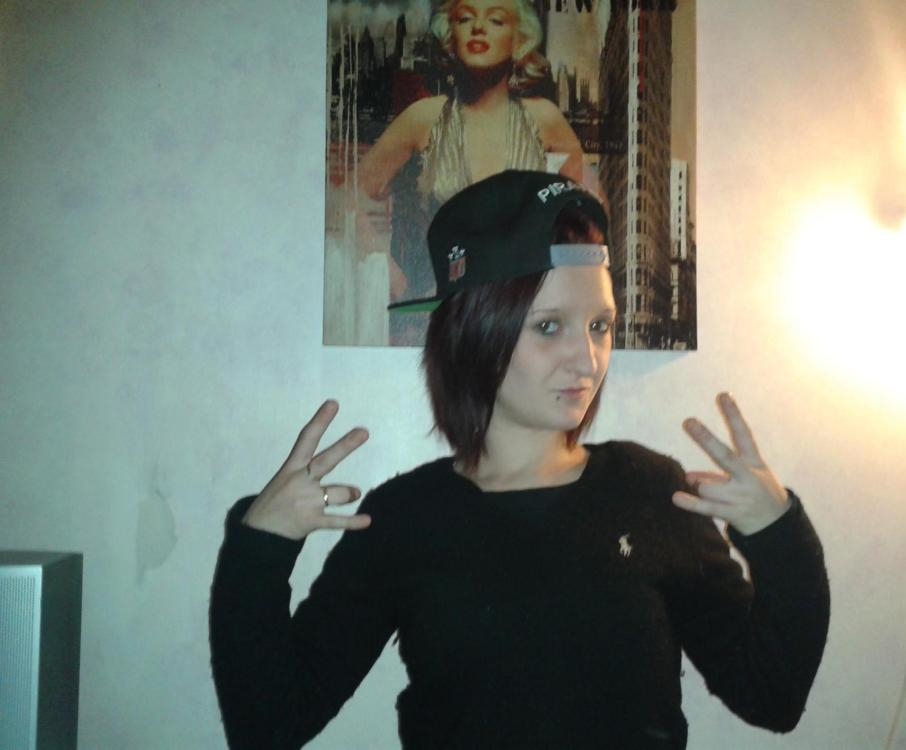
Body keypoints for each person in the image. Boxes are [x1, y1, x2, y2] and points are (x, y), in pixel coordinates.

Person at [210, 171, 830, 749]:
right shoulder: (405, 520)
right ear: (474, 331)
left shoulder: (649, 491)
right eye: (549, 327)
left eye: (600, 325)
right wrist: (261, 546)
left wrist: (777, 531)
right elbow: (269, 725)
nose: (587, 360)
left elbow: (772, 696)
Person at [351, 0, 602, 343]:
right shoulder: (423, 118)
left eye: (496, 20)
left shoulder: (544, 119)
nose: (478, 28)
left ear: (519, 40)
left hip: (520, 323)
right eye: (465, 18)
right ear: (450, 37)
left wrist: (554, 287)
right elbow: (348, 198)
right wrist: (392, 274)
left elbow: (589, 213)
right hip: (439, 320)